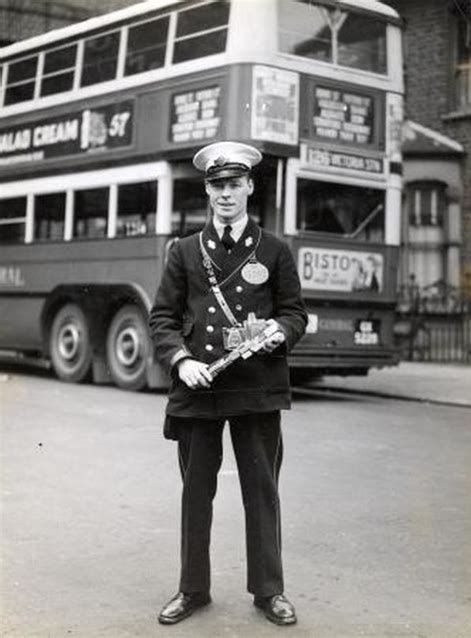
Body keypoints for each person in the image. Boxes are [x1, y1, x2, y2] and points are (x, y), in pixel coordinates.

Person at [148, 141, 308, 627]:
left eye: (234, 184)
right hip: (200, 388)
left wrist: (279, 331)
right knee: (196, 493)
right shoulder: (185, 251)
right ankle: (192, 588)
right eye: (217, 185)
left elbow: (294, 312)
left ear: (249, 188)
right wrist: (179, 360)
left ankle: (269, 592)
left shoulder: (275, 249)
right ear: (207, 190)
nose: (225, 194)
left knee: (261, 492)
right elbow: (162, 318)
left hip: (256, 386)